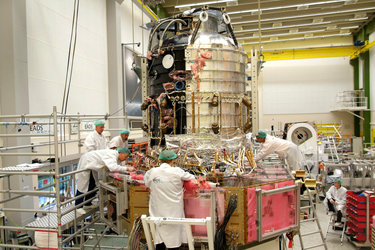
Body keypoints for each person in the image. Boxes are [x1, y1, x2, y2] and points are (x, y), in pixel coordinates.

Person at [144, 150, 196, 250]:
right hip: (174, 211)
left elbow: (146, 183)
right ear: (172, 160)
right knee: (174, 238)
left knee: (159, 237)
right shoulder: (177, 171)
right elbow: (192, 178)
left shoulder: (151, 172)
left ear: (160, 160)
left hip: (157, 211)